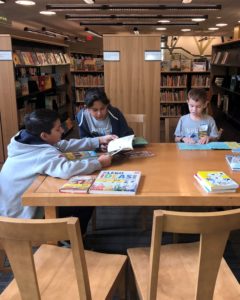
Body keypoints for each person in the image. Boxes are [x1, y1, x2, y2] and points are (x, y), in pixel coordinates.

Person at [0, 109, 116, 233]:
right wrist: (99, 163)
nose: (62, 130)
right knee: (84, 202)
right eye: (58, 128)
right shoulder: (42, 153)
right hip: (21, 218)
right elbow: (67, 170)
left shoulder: (28, 141)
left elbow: (63, 145)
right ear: (44, 135)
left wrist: (99, 140)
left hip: (8, 209)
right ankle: (74, 241)